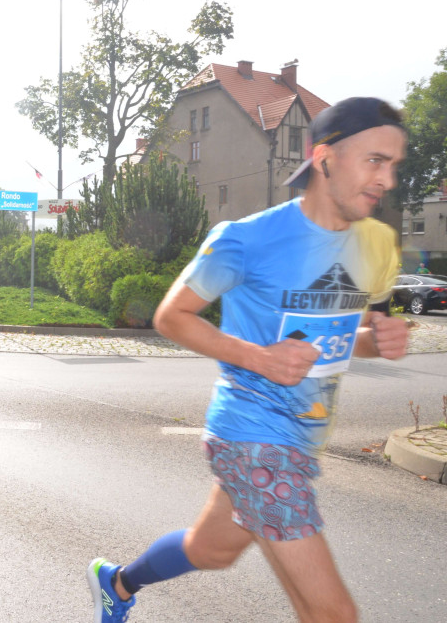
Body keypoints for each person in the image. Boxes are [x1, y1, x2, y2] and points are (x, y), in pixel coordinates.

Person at [86, 97, 412, 623]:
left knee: (210, 550)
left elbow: (349, 335)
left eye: (394, 165)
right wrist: (259, 358)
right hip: (252, 436)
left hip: (303, 438)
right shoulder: (247, 238)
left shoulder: (377, 243)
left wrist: (381, 339)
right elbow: (173, 316)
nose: (388, 179)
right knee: (333, 615)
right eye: (375, 160)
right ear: (325, 158)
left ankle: (118, 583)